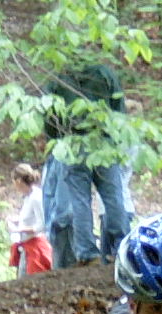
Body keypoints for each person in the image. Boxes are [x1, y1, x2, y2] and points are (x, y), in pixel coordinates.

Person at [42, 64, 132, 267]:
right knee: (113, 196)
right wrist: (114, 135)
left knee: (79, 199)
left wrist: (58, 139)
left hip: (74, 144)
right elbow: (119, 106)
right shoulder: (105, 73)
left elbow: (49, 114)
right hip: (104, 142)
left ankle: (87, 252)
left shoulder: (60, 75)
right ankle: (121, 248)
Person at [6, 162, 51, 277]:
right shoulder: (28, 197)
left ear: (18, 181)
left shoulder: (36, 197)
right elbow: (29, 217)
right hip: (25, 246)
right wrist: (16, 220)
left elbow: (41, 225)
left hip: (36, 246)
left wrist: (19, 230)